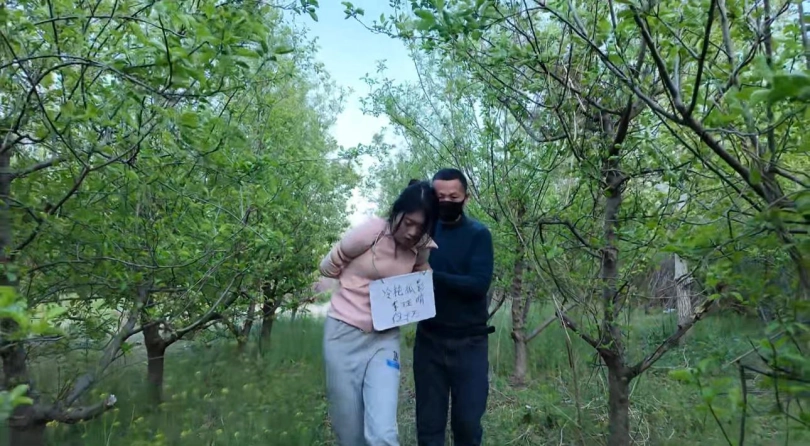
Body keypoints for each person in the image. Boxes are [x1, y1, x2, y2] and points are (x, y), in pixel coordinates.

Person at [319, 180, 439, 446]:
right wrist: (355, 287)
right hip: (344, 334)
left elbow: (420, 273)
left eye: (420, 227)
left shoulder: (420, 246)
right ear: (397, 212)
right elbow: (329, 265)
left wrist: (421, 284)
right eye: (408, 222)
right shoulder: (372, 232)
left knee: (382, 433)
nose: (412, 232)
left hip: (384, 340)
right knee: (350, 432)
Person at [414, 168, 495, 446]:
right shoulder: (421, 233)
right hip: (429, 340)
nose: (446, 201)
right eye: (440, 196)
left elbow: (478, 284)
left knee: (468, 425)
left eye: (453, 196)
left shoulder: (479, 234)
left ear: (465, 198)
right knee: (428, 425)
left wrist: (431, 277)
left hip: (470, 343)